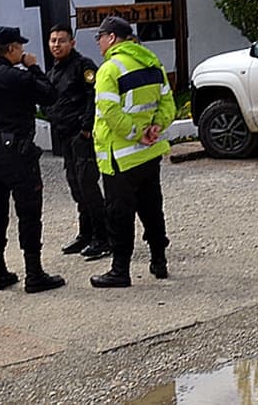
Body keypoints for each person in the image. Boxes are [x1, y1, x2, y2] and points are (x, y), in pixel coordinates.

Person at [0, 26, 65, 294]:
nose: (23, 51)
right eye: (20, 47)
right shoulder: (17, 77)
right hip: (17, 152)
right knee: (28, 211)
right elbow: (50, 94)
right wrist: (34, 68)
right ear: (12, 49)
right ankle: (34, 273)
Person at [89, 16, 176, 288]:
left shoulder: (109, 69)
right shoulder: (152, 63)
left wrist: (136, 133)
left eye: (99, 37)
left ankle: (119, 270)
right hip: (149, 155)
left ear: (112, 37)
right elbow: (168, 104)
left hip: (121, 158)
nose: (99, 43)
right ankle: (159, 261)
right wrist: (155, 128)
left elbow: (110, 112)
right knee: (152, 209)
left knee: (119, 214)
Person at [45, 23, 110, 261]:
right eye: (53, 41)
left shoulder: (83, 66)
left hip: (81, 137)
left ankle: (104, 238)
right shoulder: (54, 71)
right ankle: (86, 234)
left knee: (88, 186)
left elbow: (94, 96)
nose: (56, 45)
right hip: (65, 138)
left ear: (72, 43)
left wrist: (86, 128)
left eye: (61, 40)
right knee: (76, 186)